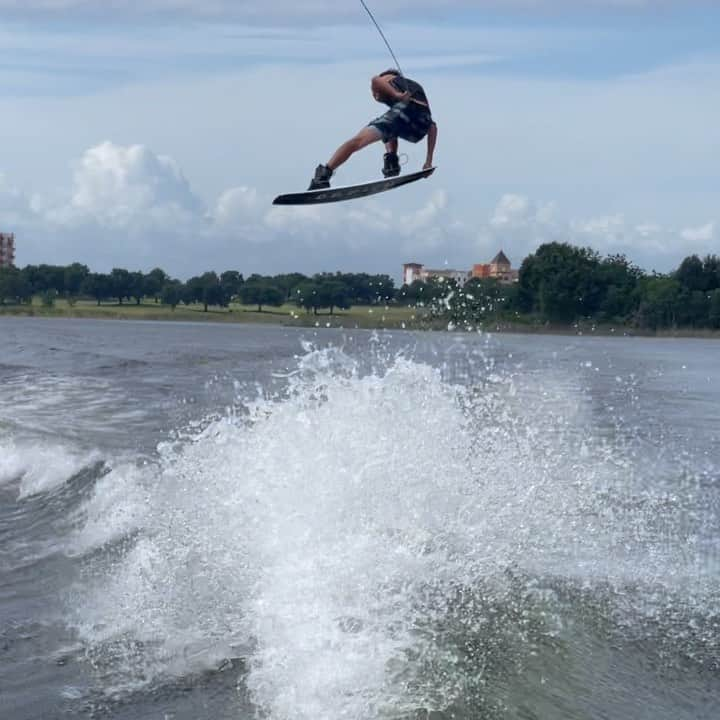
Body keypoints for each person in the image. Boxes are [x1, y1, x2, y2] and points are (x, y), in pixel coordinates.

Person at [308, 69, 438, 190]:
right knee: (390, 130)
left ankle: (322, 175)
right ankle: (391, 164)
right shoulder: (411, 86)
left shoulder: (389, 78)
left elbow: (375, 80)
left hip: (406, 111)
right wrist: (428, 161)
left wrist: (396, 95)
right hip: (419, 128)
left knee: (357, 141)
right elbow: (433, 127)